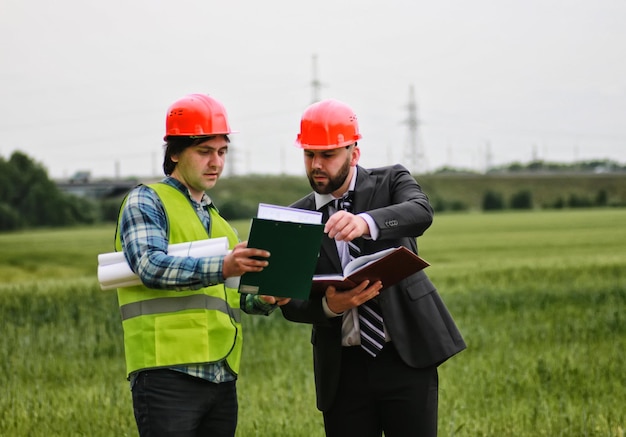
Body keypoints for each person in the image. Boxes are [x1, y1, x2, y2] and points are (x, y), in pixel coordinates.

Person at [280, 99, 466, 437]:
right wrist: (328, 306)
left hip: (405, 356)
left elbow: (421, 212)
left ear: (354, 153)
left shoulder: (391, 180)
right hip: (342, 369)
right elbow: (288, 302)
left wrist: (365, 223)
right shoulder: (295, 219)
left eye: (328, 154)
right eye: (309, 155)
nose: (316, 165)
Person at [114, 93, 289, 437]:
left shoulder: (221, 224)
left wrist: (264, 299)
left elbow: (231, 296)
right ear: (175, 152)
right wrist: (224, 265)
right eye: (204, 151)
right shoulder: (146, 200)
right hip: (166, 372)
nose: (216, 162)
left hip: (221, 375)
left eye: (222, 152)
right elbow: (150, 266)